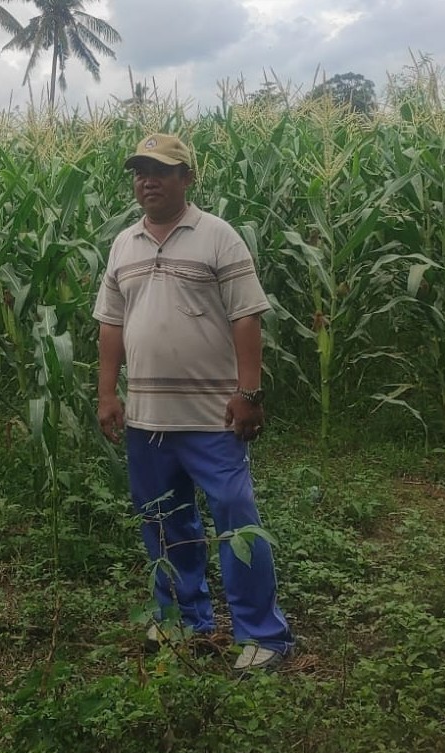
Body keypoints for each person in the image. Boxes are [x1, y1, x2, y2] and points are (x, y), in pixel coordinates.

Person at [93, 133, 294, 673]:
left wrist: (248, 393)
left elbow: (246, 316)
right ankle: (183, 621)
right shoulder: (125, 245)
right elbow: (110, 324)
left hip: (211, 416)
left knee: (236, 520)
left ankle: (263, 636)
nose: (147, 180)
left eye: (161, 170)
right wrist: (108, 393)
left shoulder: (218, 237)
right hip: (147, 419)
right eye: (139, 171)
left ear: (188, 178)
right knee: (162, 522)